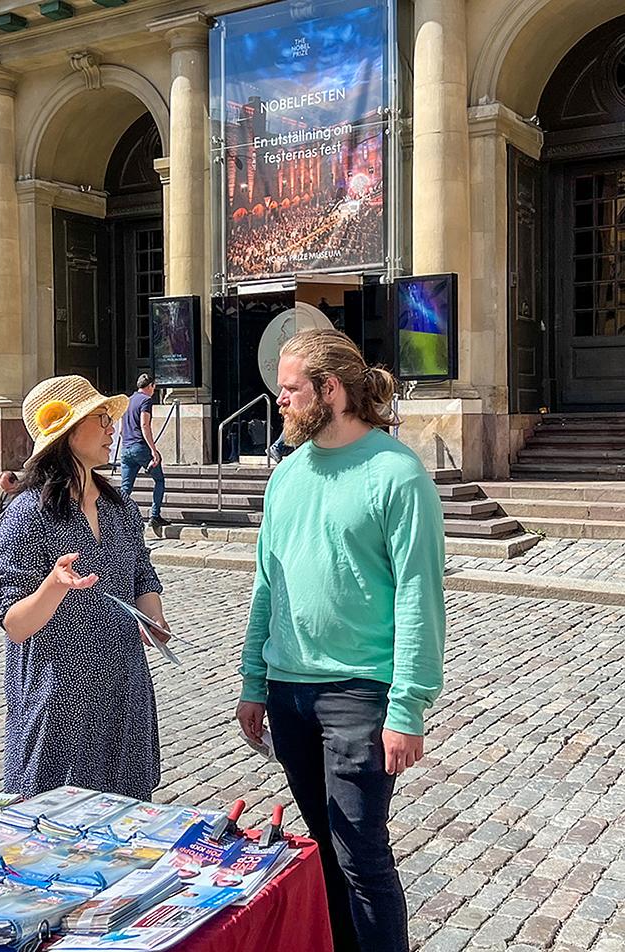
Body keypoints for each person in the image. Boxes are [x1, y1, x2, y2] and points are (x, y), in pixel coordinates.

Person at [236, 330, 445, 952]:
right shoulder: (286, 474)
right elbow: (266, 584)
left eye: (291, 390)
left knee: (362, 857)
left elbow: (419, 597)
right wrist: (254, 681)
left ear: (331, 391)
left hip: (359, 694)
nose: (279, 401)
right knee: (321, 849)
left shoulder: (397, 474)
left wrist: (406, 709)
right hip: (288, 693)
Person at [0, 374, 170, 800]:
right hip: (59, 694)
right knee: (54, 826)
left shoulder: (119, 505)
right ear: (66, 433)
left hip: (123, 683)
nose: (112, 427)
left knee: (127, 816)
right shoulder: (27, 514)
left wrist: (153, 614)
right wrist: (53, 584)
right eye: (100, 418)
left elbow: (141, 573)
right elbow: (13, 623)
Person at [118, 373, 170, 530]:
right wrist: (154, 450)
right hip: (140, 447)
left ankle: (118, 517)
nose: (154, 390)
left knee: (126, 487)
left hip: (126, 448)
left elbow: (120, 430)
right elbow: (144, 425)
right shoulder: (146, 401)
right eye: (154, 387)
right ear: (150, 386)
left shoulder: (127, 401)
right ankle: (154, 516)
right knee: (159, 480)